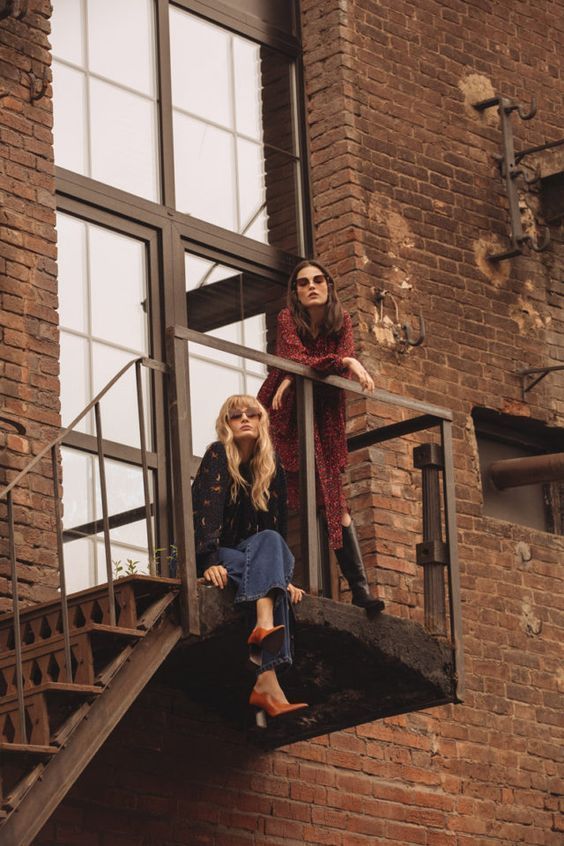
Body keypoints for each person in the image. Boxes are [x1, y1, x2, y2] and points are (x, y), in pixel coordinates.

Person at [258, 260, 385, 613]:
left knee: (333, 497)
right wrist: (344, 363)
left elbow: (322, 359)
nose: (311, 286)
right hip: (287, 410)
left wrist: (326, 365)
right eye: (302, 282)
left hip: (324, 411)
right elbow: (295, 357)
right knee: (283, 488)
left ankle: (360, 590)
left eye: (318, 280)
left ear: (328, 285)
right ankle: (276, 576)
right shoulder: (287, 318)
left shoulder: (341, 319)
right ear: (295, 291)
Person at [191, 394, 308, 725]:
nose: (244, 419)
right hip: (217, 553)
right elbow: (205, 514)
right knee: (274, 584)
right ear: (225, 424)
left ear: (261, 422)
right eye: (235, 415)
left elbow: (278, 533)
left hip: (251, 560)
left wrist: (283, 576)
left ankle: (265, 654)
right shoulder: (218, 455)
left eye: (252, 414)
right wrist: (209, 560)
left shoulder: (274, 468)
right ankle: (267, 675)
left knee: (271, 540)